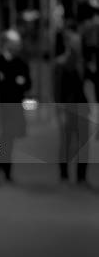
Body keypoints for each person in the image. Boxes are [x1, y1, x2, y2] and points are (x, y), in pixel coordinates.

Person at [54, 24, 90, 186]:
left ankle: (81, 176)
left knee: (84, 143)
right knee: (67, 143)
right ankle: (64, 174)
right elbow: (58, 90)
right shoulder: (61, 63)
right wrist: (60, 111)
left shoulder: (83, 63)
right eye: (76, 42)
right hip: (68, 108)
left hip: (82, 107)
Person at [0, 29, 31, 183]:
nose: (18, 46)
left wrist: (13, 83)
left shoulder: (21, 63)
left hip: (13, 108)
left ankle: (7, 172)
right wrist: (15, 82)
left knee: (9, 140)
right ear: (6, 43)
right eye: (14, 43)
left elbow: (27, 83)